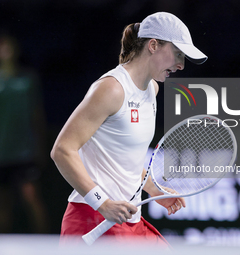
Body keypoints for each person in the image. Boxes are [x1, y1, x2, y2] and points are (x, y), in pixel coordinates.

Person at [51, 12, 207, 246]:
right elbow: (62, 150)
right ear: (153, 45)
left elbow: (125, 159)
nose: (181, 65)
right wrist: (102, 202)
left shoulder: (152, 89)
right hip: (92, 219)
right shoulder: (112, 89)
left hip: (128, 219)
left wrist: (153, 190)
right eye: (177, 54)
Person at [0, 32, 49, 233]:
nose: (6, 51)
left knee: (31, 196)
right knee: (1, 202)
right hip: (0, 153)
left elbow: (37, 116)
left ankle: (47, 245)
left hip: (25, 151)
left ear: (16, 51)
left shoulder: (28, 80)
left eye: (10, 46)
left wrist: (40, 147)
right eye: (2, 46)